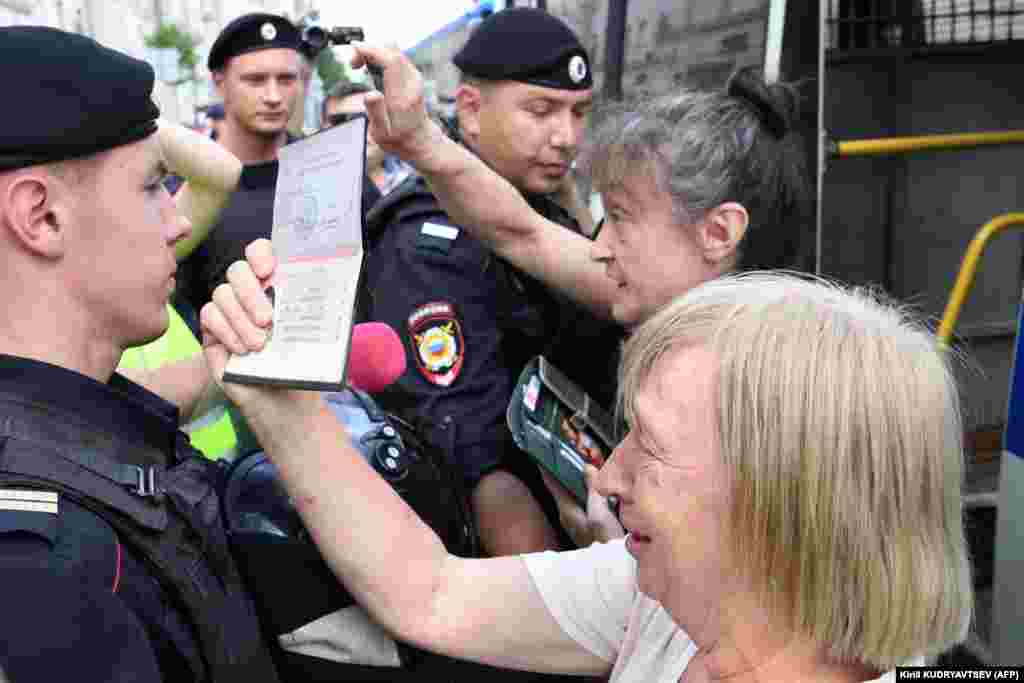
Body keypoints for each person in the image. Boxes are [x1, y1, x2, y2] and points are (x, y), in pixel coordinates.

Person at [202, 253, 973, 680]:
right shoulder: (663, 593)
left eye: (655, 446)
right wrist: (276, 404)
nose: (606, 477)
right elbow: (427, 591)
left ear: (780, 499)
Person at [349, 41, 814, 547]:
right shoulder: (681, 291)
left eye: (621, 218)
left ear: (719, 232)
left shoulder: (765, 402)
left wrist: (618, 554)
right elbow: (522, 232)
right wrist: (420, 140)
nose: (600, 245)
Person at [0, 26, 278, 681]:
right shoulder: (40, 565)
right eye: (154, 186)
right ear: (42, 218)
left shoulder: (87, 428)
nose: (180, 221)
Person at [358, 7, 619, 557]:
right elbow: (473, 455)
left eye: (579, 113)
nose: (566, 136)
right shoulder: (428, 239)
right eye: (541, 110)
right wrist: (552, 618)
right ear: (471, 110)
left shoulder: (545, 206)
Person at [177, 12, 381, 318]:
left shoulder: (336, 171)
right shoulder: (189, 193)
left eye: (286, 79)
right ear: (219, 83)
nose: (273, 96)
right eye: (255, 80)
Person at [322, 80, 412, 197]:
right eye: (340, 120)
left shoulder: (423, 187)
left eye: (366, 118)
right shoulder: (303, 191)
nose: (355, 128)